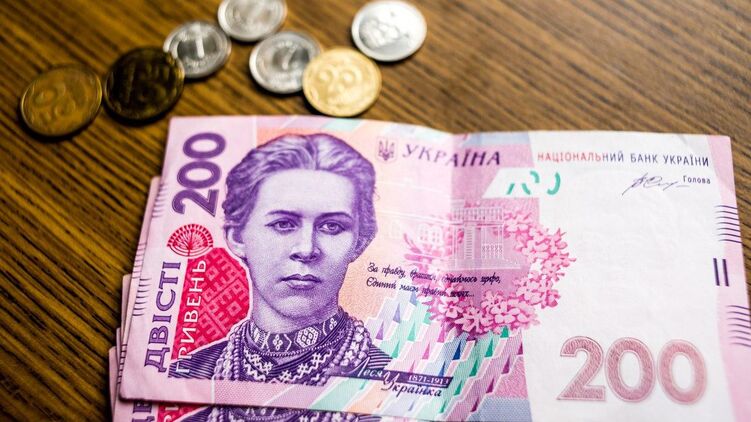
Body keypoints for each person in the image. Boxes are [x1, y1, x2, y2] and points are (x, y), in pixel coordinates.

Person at [171, 133, 390, 422]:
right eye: (283, 224)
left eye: (332, 226)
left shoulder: (392, 385)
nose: (306, 249)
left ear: (359, 242)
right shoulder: (186, 375)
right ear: (237, 237)